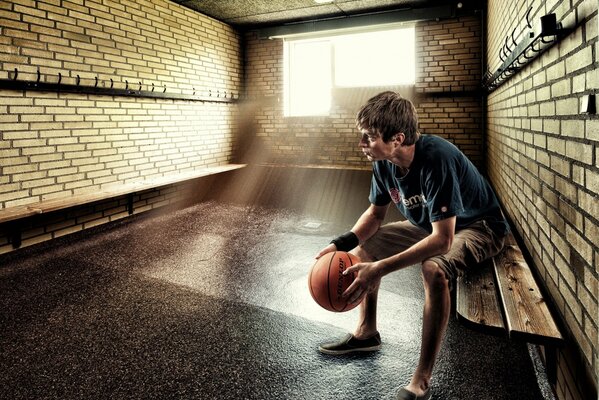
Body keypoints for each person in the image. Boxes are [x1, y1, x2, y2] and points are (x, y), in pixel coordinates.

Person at [315, 91, 509, 400]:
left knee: (434, 269)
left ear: (398, 138)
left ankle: (421, 382)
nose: (362, 144)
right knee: (367, 248)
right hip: (429, 226)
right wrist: (340, 244)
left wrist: (379, 269)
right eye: (363, 136)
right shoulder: (383, 162)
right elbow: (375, 215)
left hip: (478, 226)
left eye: (370, 137)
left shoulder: (437, 158)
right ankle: (366, 332)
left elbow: (443, 241)